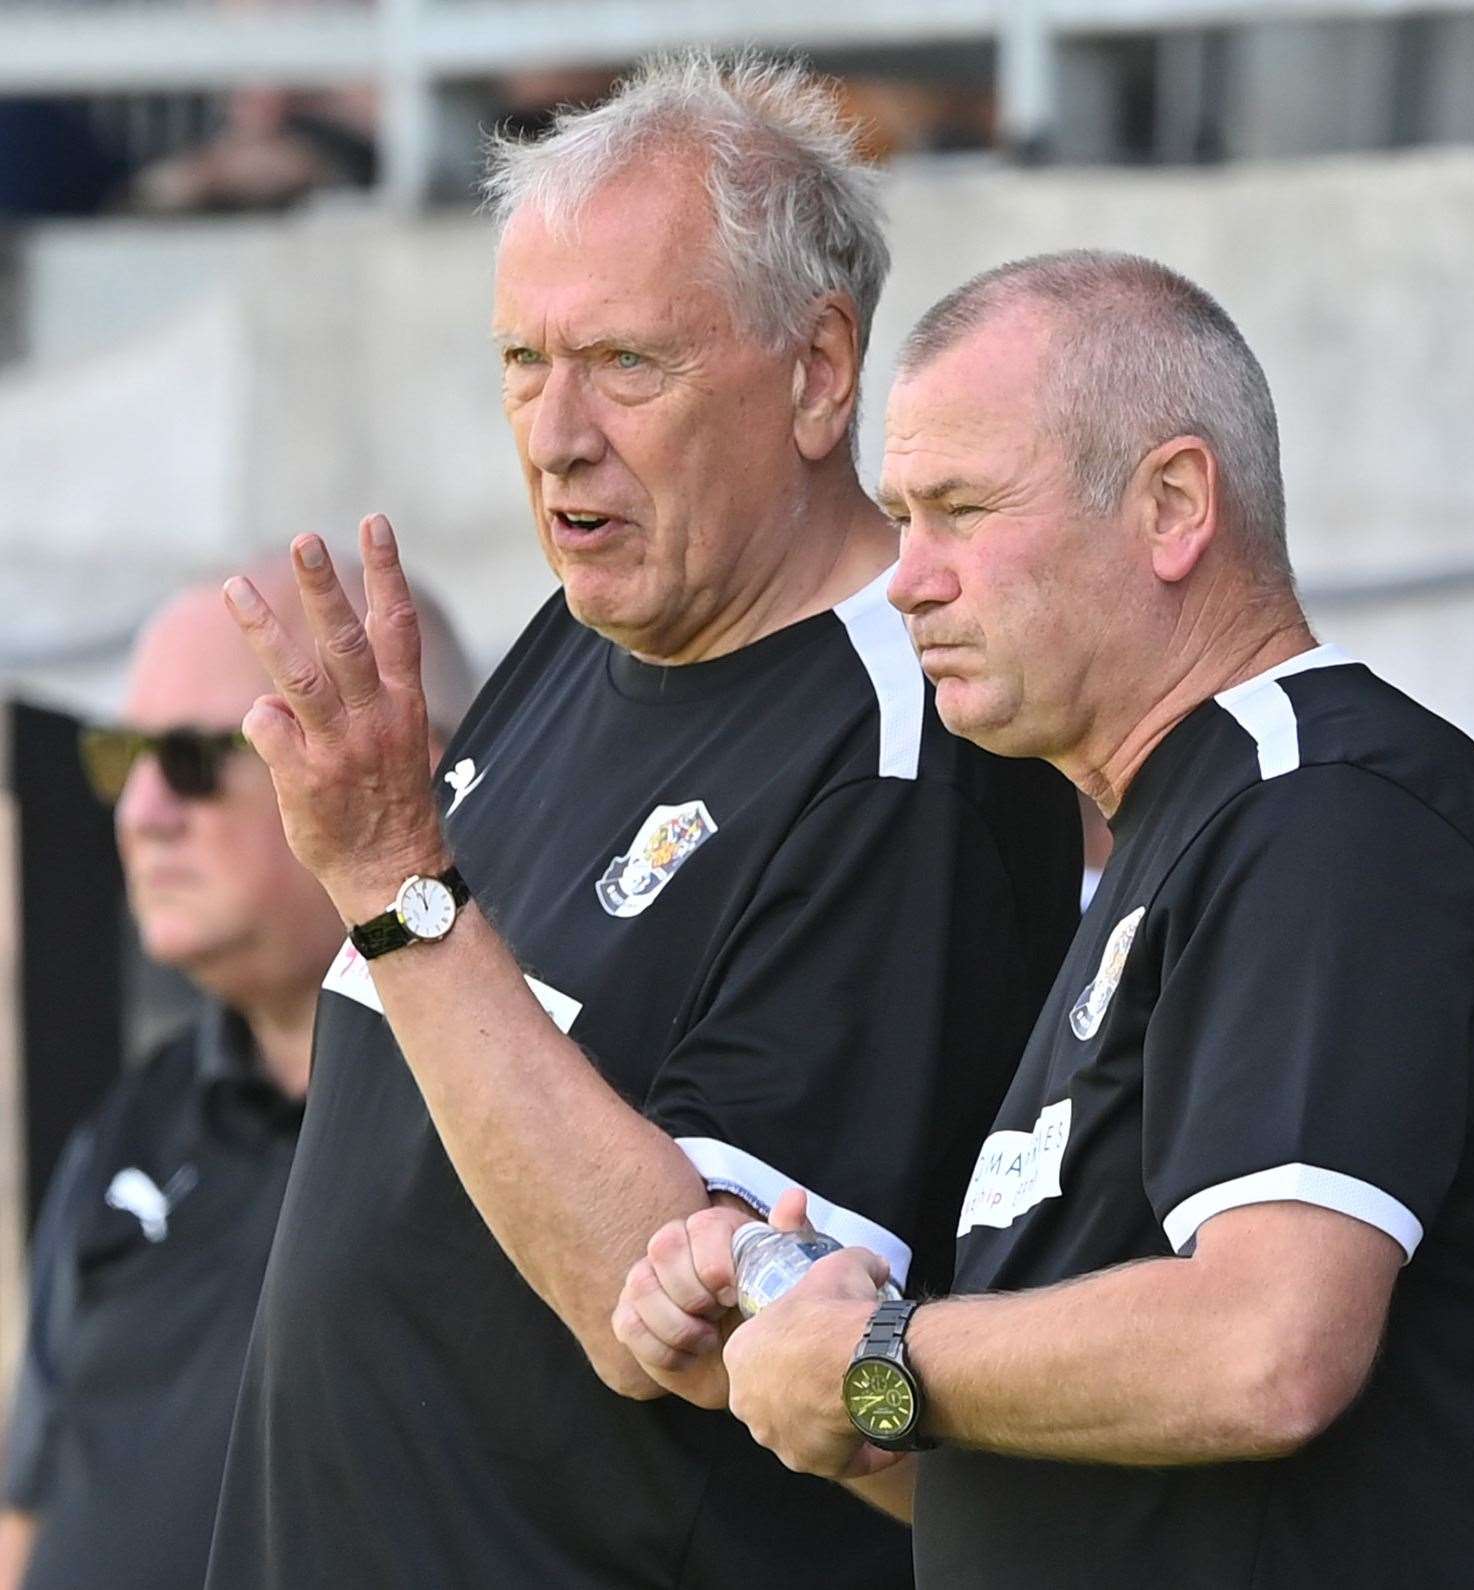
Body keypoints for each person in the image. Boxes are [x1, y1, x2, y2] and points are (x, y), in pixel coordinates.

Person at [631, 250, 1474, 1586]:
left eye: (959, 508)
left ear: (1174, 505)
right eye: (900, 516)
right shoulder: (1178, 839)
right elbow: (1085, 1480)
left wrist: (883, 1357)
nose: (906, 578)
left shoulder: (1329, 812)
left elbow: (1266, 1349)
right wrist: (806, 1354)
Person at [203, 52, 1079, 1590]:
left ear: (819, 372)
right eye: (522, 363)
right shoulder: (594, 627)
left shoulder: (909, 761)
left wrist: (402, 891)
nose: (555, 434)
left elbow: (696, 1325)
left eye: (625, 363)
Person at [0, 561, 473, 1590]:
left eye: (197, 757)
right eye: (121, 757)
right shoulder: (133, 1126)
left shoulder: (525, 1105)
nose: (143, 813)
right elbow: (29, 1510)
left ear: (409, 766)